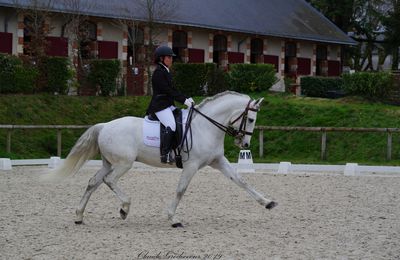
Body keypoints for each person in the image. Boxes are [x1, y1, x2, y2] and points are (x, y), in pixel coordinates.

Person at [146, 45, 195, 164]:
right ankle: (165, 154)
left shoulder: (165, 71)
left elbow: (173, 89)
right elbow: (168, 91)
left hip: (168, 104)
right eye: (169, 57)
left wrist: (187, 97)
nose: (171, 59)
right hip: (160, 106)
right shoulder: (158, 73)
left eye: (171, 57)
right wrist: (184, 102)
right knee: (171, 125)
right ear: (161, 58)